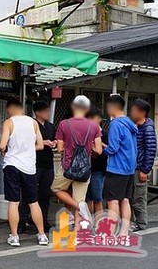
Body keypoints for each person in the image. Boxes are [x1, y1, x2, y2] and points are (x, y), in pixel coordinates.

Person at [0, 98, 48, 247]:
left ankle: (14, 237)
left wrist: (5, 151)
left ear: (10, 109)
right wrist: (27, 149)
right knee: (33, 202)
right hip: (29, 167)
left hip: (12, 165)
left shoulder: (9, 122)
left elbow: (2, 145)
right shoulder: (33, 123)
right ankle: (42, 235)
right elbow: (40, 145)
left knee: (14, 202)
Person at [52, 96, 103, 227]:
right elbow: (98, 150)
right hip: (85, 168)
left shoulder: (64, 124)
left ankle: (78, 205)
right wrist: (89, 147)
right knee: (80, 199)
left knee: (56, 189)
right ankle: (77, 237)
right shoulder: (94, 126)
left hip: (66, 167)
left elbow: (59, 149)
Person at [104, 94, 138, 236]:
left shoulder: (116, 124)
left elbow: (113, 148)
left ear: (112, 107)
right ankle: (123, 233)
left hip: (117, 167)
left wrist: (100, 149)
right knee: (125, 200)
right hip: (129, 168)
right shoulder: (131, 124)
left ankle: (110, 233)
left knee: (112, 201)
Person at [19, 100, 56, 233]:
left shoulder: (51, 126)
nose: (48, 113)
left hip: (48, 164)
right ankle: (22, 221)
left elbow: (56, 140)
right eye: (46, 111)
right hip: (33, 164)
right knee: (29, 193)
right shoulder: (31, 125)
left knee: (45, 194)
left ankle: (43, 220)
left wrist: (54, 143)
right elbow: (25, 144)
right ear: (38, 112)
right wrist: (42, 142)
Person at [129, 99, 157, 231]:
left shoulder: (147, 128)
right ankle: (133, 221)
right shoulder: (136, 126)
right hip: (133, 167)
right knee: (132, 196)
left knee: (138, 197)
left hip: (140, 168)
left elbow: (151, 150)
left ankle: (140, 223)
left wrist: (145, 170)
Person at [86, 106, 109, 216]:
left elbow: (106, 153)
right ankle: (89, 221)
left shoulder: (105, 134)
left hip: (98, 170)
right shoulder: (86, 134)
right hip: (86, 170)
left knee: (97, 198)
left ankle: (99, 221)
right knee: (87, 198)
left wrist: (96, 150)